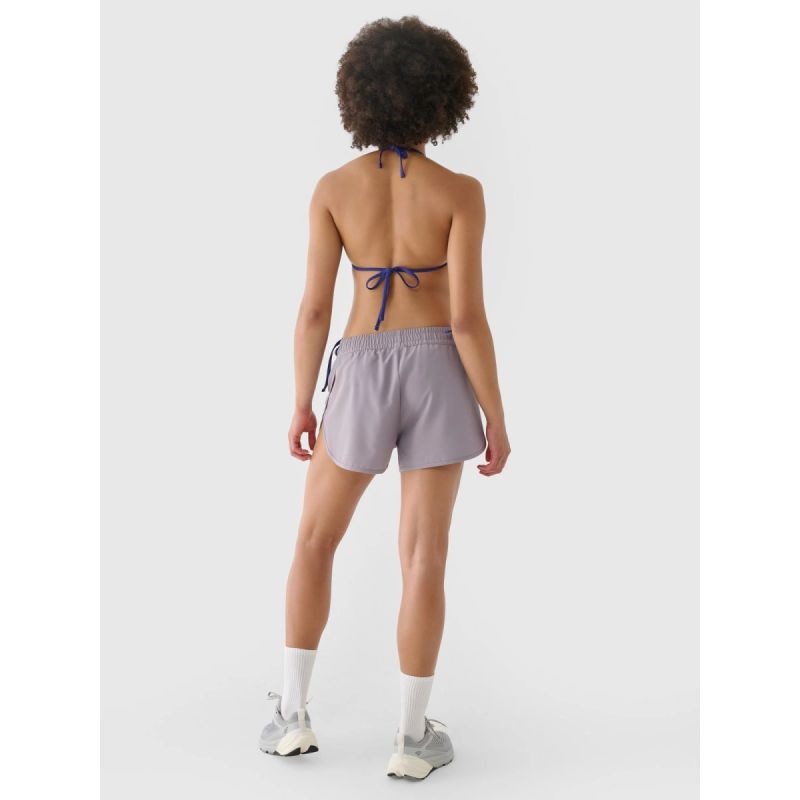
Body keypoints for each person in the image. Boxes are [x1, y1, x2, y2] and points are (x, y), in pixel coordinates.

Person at [259, 15, 510, 781]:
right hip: (439, 370)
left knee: (314, 540)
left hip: (362, 368)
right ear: (443, 97)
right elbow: (466, 318)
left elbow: (313, 310)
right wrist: (496, 415)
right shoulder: (460, 192)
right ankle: (411, 737)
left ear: (360, 94)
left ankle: (293, 716)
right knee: (424, 555)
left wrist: (303, 401)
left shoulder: (333, 189)